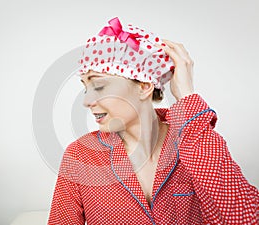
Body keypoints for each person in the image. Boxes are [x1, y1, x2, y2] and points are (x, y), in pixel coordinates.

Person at [48, 17, 259, 224]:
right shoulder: (80, 155)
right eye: (86, 88)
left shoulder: (195, 140)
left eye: (99, 86)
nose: (87, 101)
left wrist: (186, 97)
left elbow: (243, 217)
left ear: (144, 87)